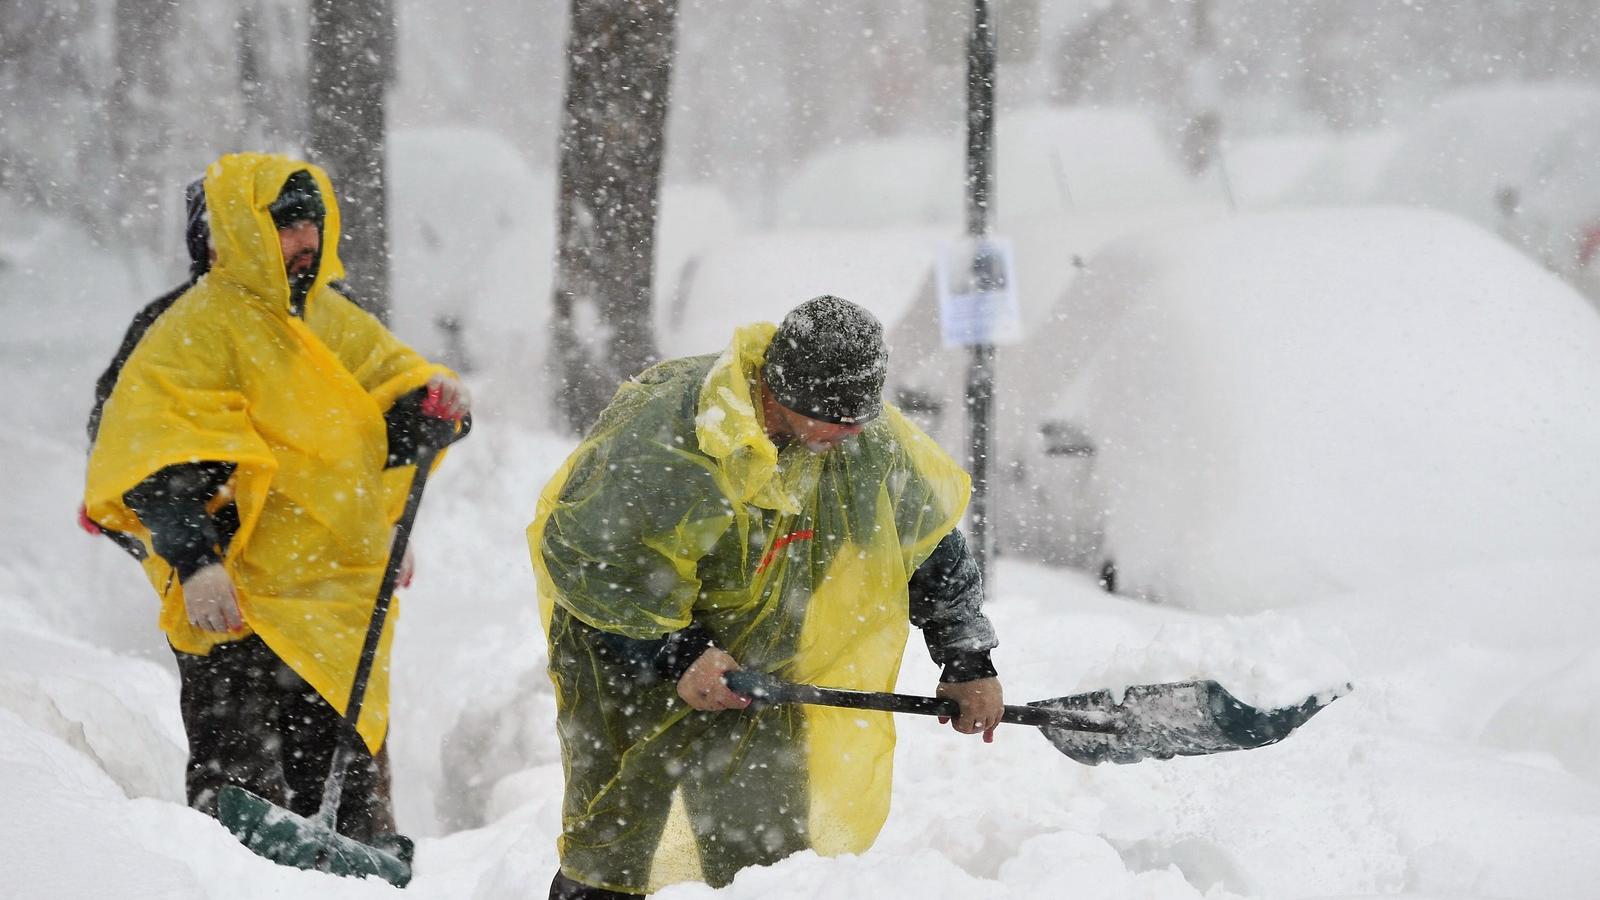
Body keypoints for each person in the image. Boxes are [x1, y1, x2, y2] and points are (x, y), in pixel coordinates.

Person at [528, 295, 1003, 898]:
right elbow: (594, 562)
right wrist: (677, 653)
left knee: (765, 852)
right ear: (779, 394)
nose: (853, 434)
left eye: (861, 418)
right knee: (617, 845)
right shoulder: (670, 435)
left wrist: (967, 658)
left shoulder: (860, 441)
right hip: (629, 661)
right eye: (837, 421)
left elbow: (928, 544)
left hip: (762, 674)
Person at [82, 152, 468, 847]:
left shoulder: (332, 319)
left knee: (349, 796)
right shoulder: (192, 328)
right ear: (238, 228)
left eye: (313, 224)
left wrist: (435, 407)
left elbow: (384, 412)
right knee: (239, 794)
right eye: (287, 226)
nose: (306, 242)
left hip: (333, 606)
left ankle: (362, 874)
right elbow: (150, 454)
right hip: (238, 605)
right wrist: (195, 561)